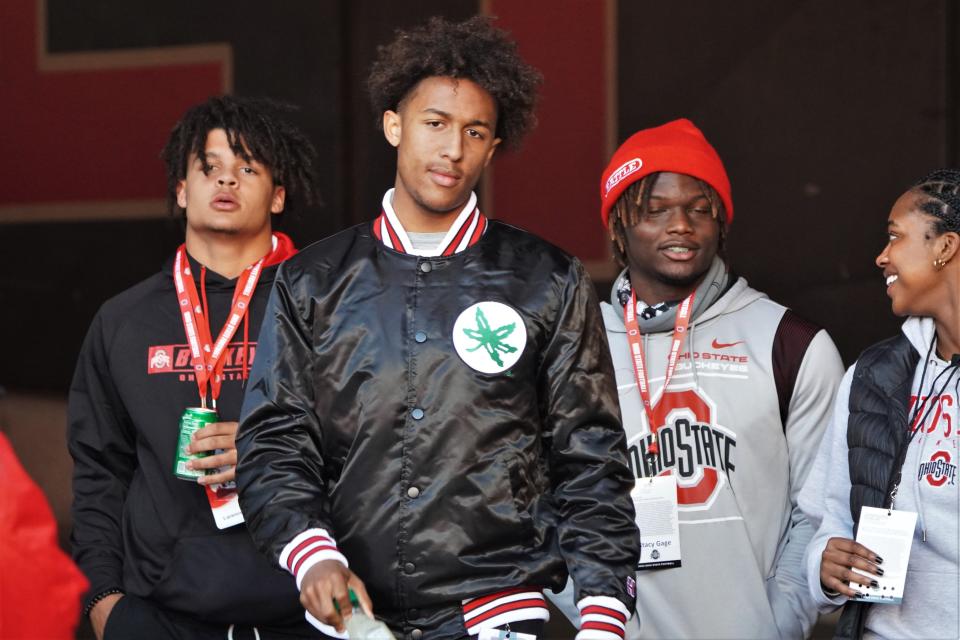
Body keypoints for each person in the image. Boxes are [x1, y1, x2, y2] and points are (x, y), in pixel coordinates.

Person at [235, 16, 640, 640]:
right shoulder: (312, 280)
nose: (453, 149)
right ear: (394, 125)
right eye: (435, 123)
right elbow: (274, 442)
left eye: (474, 132)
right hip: (353, 616)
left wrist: (605, 613)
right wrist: (311, 554)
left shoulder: (546, 279)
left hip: (500, 609)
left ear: (493, 148)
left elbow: (590, 458)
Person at [550, 118, 845, 639]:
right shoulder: (574, 344)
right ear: (618, 224)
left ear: (722, 223)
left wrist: (777, 623)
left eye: (699, 209)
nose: (680, 225)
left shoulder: (791, 343)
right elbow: (539, 496)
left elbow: (821, 510)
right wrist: (599, 618)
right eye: (655, 210)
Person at [68, 95, 320, 640]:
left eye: (247, 168)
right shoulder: (124, 320)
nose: (226, 182)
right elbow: (98, 473)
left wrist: (264, 448)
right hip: (159, 616)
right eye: (209, 168)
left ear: (278, 195)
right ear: (182, 191)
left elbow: (379, 449)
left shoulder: (324, 310)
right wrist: (103, 602)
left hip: (304, 611)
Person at [800, 169, 960, 639]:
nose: (882, 256)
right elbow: (830, 517)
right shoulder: (873, 375)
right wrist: (824, 564)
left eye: (895, 237)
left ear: (944, 248)